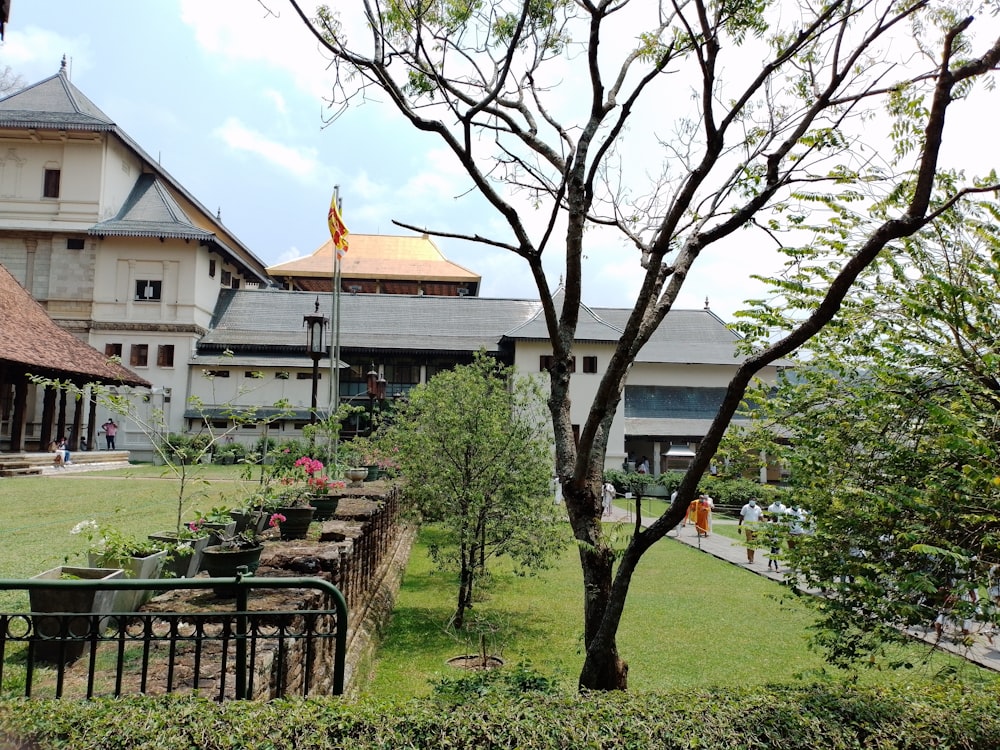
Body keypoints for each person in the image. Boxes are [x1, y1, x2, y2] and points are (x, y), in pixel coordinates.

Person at [738, 498, 765, 563]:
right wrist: (739, 526)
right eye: (751, 500)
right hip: (748, 527)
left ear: (755, 501)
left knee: (754, 543)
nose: (752, 502)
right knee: (750, 541)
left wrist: (764, 524)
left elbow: (761, 517)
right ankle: (750, 558)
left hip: (756, 527)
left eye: (754, 501)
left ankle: (752, 556)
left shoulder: (758, 508)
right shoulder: (745, 507)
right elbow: (741, 516)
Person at [766, 499, 788, 571]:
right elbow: (767, 532)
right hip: (772, 539)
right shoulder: (769, 524)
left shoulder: (779, 524)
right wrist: (769, 538)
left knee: (774, 552)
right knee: (774, 552)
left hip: (778, 539)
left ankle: (769, 564)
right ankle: (776, 567)